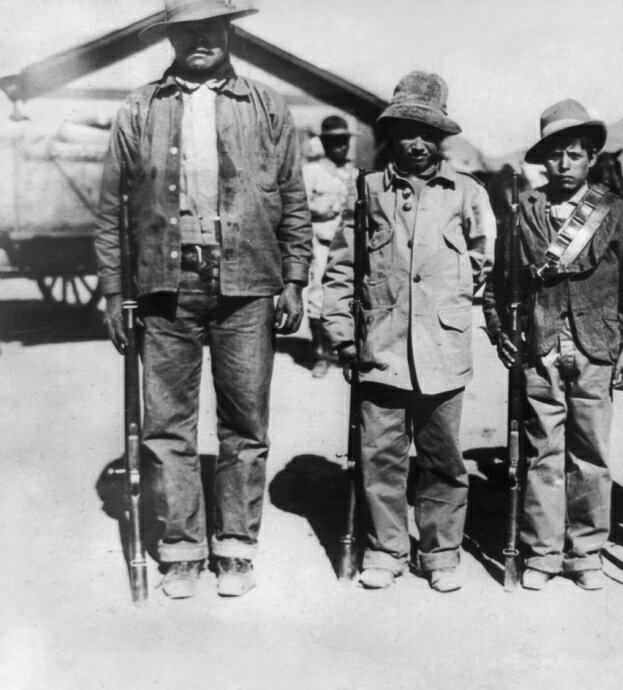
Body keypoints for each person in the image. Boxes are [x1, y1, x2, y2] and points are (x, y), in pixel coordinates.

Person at [94, 0, 311, 599]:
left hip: (246, 286)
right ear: (170, 37)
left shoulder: (267, 106)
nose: (198, 40)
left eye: (209, 29)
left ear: (228, 31)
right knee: (167, 426)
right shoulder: (140, 107)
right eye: (185, 30)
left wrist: (293, 277)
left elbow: (293, 197)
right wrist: (114, 289)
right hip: (166, 288)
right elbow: (111, 207)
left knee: (245, 423)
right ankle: (182, 548)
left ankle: (236, 549)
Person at [323, 72, 495, 592]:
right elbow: (341, 268)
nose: (416, 144)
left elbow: (484, 265)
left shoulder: (466, 193)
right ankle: (386, 549)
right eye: (405, 132)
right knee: (381, 455)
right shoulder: (367, 192)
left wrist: (453, 305)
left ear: (441, 139)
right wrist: (342, 332)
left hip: (442, 348)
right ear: (390, 135)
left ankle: (440, 552)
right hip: (381, 345)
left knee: (443, 457)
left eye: (427, 133)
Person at [483, 100, 623, 591]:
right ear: (542, 161)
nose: (565, 165)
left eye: (575, 154)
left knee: (591, 454)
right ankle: (544, 553)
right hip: (541, 341)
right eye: (555, 156)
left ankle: (586, 552)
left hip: (596, 344)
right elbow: (501, 279)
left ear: (591, 157)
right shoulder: (523, 209)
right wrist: (499, 329)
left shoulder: (612, 210)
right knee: (542, 452)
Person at [303, 115, 358, 378]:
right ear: (324, 143)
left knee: (348, 295)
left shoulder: (354, 172)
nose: (341, 147)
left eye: (344, 141)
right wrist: (326, 208)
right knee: (318, 296)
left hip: (348, 246)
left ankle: (342, 349)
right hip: (322, 243)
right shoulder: (312, 171)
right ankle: (320, 354)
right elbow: (300, 208)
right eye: (335, 142)